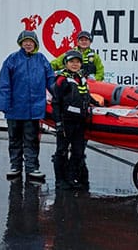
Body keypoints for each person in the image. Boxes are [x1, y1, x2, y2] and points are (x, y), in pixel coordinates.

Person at [0, 30, 55, 180]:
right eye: (25, 41)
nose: (28, 44)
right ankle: (15, 166)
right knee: (14, 139)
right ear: (21, 43)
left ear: (35, 44)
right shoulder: (12, 59)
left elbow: (51, 80)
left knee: (31, 139)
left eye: (31, 41)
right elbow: (4, 83)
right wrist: (4, 104)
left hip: (33, 109)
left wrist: (61, 96)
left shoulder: (41, 59)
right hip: (14, 108)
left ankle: (32, 168)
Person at [51, 50, 98, 190]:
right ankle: (60, 180)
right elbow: (56, 102)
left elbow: (86, 96)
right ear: (66, 63)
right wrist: (58, 123)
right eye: (72, 62)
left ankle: (71, 178)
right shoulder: (62, 80)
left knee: (78, 152)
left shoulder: (81, 78)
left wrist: (96, 103)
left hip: (80, 122)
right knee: (62, 151)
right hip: (66, 121)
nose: (75, 64)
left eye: (77, 62)